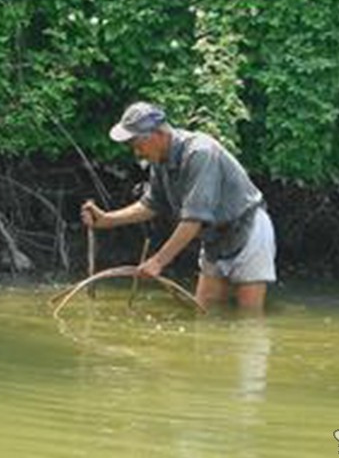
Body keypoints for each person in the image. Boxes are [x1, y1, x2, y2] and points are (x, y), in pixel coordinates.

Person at [81, 101, 276, 310]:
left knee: (248, 317)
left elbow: (194, 220)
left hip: (247, 228)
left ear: (159, 134)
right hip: (214, 238)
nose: (136, 152)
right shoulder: (159, 161)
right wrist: (108, 220)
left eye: (137, 144)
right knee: (205, 311)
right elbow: (151, 204)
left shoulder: (200, 153)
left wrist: (157, 262)